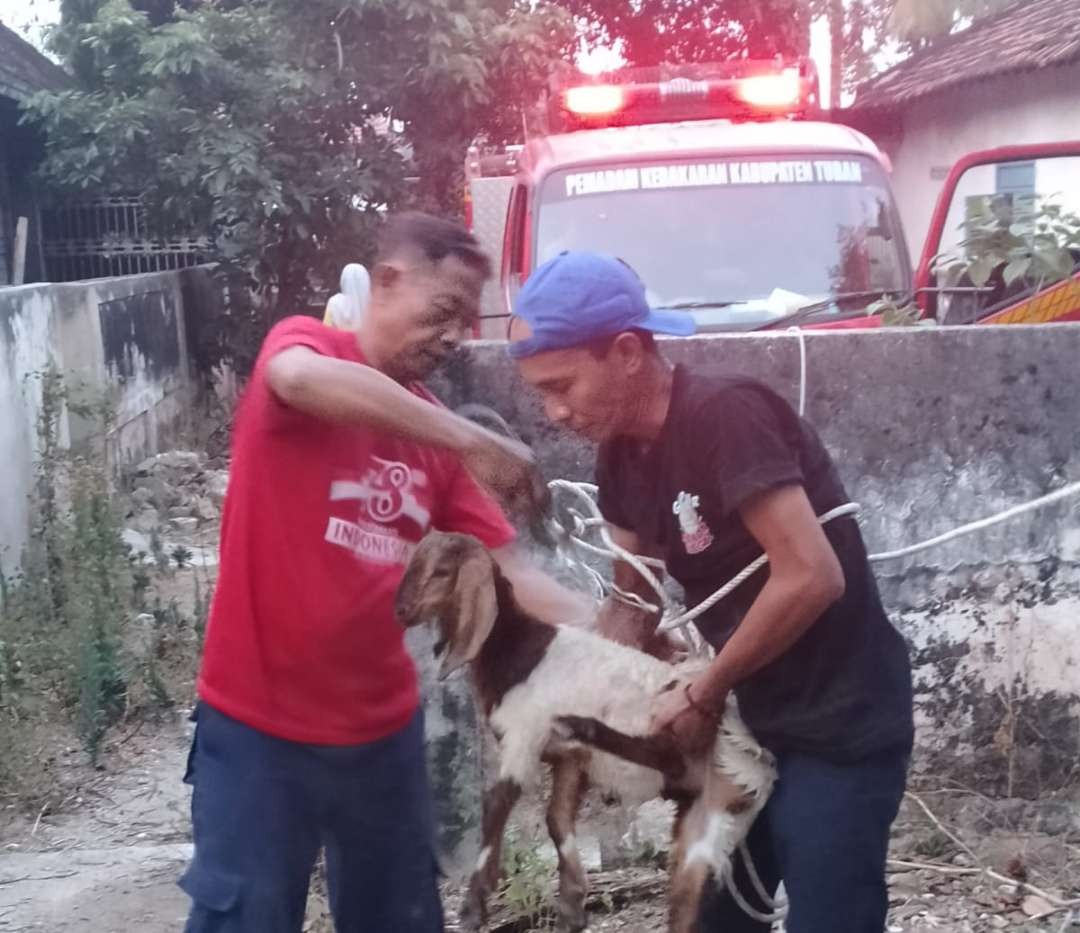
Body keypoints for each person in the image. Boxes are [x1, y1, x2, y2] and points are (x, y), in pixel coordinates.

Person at [180, 213, 593, 933]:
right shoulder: (308, 348)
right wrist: (469, 436)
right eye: (443, 311)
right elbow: (298, 379)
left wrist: (620, 641)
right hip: (257, 730)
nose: (454, 334)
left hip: (378, 737)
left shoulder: (433, 437)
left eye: (467, 320)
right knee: (244, 917)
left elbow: (508, 575)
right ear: (388, 282)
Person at [507, 251, 914, 933]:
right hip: (753, 724)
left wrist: (704, 687)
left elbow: (812, 575)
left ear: (629, 351)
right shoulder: (620, 455)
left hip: (838, 722)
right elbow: (631, 604)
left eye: (563, 385)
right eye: (540, 393)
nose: (553, 411)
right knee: (707, 915)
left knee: (830, 916)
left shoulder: (724, 417)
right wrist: (583, 698)